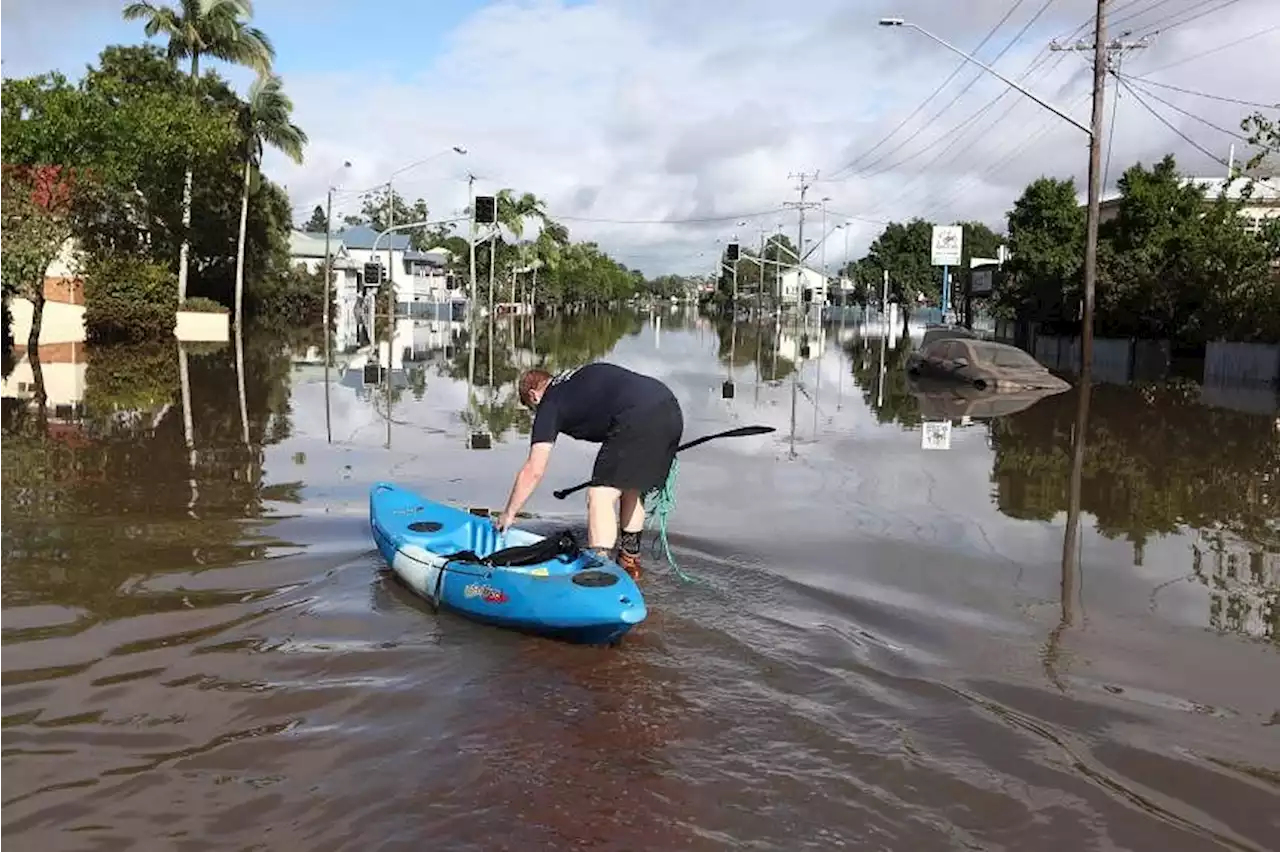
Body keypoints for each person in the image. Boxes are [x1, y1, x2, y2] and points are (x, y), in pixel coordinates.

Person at [495, 362, 684, 581]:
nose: (535, 412)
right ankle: (629, 564)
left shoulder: (551, 401)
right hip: (669, 406)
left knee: (600, 495)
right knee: (631, 488)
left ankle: (600, 573)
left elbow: (534, 469)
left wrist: (509, 513)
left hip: (636, 416)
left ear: (533, 395)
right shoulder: (575, 380)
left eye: (531, 407)